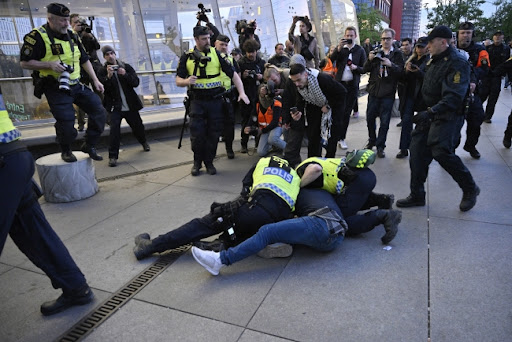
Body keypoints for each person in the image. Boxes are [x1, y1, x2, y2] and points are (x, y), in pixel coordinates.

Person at [192, 166, 402, 275]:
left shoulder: (298, 188)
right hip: (333, 231)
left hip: (322, 227)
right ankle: (382, 215)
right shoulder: (326, 193)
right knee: (276, 232)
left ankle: (220, 261)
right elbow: (349, 216)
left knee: (267, 231)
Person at [0, 87, 94, 316]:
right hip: (14, 155)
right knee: (34, 232)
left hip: (4, 163)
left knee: (34, 231)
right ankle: (76, 288)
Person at [132, 156, 301, 259]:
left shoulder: (264, 162)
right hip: (272, 223)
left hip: (254, 207)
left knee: (203, 224)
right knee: (245, 225)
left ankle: (149, 246)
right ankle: (224, 243)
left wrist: (229, 210)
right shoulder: (295, 178)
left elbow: (245, 188)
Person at [397, 26, 480, 212]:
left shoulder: (457, 62)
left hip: (447, 115)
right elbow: (432, 82)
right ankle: (417, 194)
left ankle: (470, 188)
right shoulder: (433, 60)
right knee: (417, 153)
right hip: (429, 113)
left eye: (431, 43)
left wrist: (430, 112)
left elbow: (453, 97)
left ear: (443, 42)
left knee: (441, 152)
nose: (427, 47)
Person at [20, 3, 106, 163]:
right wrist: (48, 64)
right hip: (55, 86)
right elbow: (24, 63)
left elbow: (84, 59)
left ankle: (89, 144)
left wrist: (95, 80)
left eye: (67, 20)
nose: (66, 24)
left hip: (75, 84)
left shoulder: (72, 35)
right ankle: (66, 150)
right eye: (62, 20)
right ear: (50, 19)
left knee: (98, 110)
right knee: (66, 122)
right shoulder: (37, 36)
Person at [175, 26, 249, 176]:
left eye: (208, 38)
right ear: (196, 39)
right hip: (197, 101)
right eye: (204, 39)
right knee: (197, 134)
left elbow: (233, 74)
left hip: (215, 101)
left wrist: (242, 92)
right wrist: (187, 81)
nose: (207, 41)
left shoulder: (217, 54)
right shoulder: (187, 57)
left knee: (213, 134)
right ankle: (197, 162)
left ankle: (209, 162)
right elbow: (178, 80)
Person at [97, 46, 150, 167]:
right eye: (107, 54)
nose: (110, 56)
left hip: (130, 105)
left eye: (112, 53)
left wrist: (125, 74)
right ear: (104, 57)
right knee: (114, 131)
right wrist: (109, 77)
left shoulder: (126, 67)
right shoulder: (102, 71)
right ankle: (113, 156)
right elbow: (102, 88)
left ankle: (144, 142)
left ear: (115, 54)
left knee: (138, 126)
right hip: (115, 106)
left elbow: (135, 82)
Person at [288, 62, 347, 160]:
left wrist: (328, 106)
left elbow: (342, 92)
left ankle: (329, 162)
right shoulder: (295, 83)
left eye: (299, 80)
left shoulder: (322, 79)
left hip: (334, 105)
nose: (297, 84)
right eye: (294, 81)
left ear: (306, 74)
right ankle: (313, 162)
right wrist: (298, 112)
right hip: (315, 105)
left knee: (332, 137)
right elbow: (300, 98)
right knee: (313, 136)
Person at [362, 28, 404, 158]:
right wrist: (369, 59)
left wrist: (391, 64)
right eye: (383, 38)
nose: (385, 41)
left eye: (388, 38)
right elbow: (365, 69)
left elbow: (402, 73)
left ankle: (380, 146)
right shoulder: (376, 52)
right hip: (374, 91)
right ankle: (372, 140)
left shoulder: (397, 54)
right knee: (370, 118)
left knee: (385, 122)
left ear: (393, 40)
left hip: (387, 93)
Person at [330, 26, 367, 151]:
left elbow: (365, 68)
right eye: (347, 36)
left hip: (352, 85)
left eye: (351, 35)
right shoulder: (342, 49)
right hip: (339, 85)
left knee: (346, 113)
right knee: (337, 112)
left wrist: (356, 68)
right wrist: (338, 48)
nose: (349, 38)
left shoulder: (360, 50)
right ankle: (334, 136)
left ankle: (341, 138)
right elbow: (330, 60)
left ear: (355, 36)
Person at [456, 22, 490, 159]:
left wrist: (472, 79)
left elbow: (484, 68)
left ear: (472, 34)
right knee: (454, 123)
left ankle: (470, 145)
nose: (465, 36)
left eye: (468, 33)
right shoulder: (451, 49)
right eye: (463, 33)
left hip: (472, 92)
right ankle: (450, 148)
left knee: (476, 119)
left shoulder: (480, 50)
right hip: (455, 92)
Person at [396, 37, 430, 159]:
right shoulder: (411, 59)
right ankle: (404, 148)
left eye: (422, 46)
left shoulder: (430, 60)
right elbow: (403, 79)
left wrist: (418, 72)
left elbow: (430, 79)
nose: (419, 49)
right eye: (418, 46)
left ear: (427, 47)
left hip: (422, 96)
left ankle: (419, 149)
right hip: (409, 94)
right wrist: (406, 71)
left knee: (422, 125)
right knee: (406, 122)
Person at [70, 13, 101, 132]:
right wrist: (77, 34)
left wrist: (90, 36)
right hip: (80, 69)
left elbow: (97, 46)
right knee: (81, 97)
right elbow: (74, 49)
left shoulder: (87, 32)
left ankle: (105, 119)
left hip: (93, 67)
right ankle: (81, 123)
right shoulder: (71, 35)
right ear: (71, 24)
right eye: (76, 22)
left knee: (99, 93)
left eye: (80, 22)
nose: (79, 24)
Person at [238, 39, 266, 153]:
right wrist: (243, 76)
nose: (250, 54)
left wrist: (261, 77)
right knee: (245, 119)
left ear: (256, 51)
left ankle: (257, 142)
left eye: (252, 52)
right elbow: (236, 79)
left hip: (258, 94)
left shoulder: (261, 62)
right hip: (245, 94)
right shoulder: (241, 63)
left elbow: (267, 77)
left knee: (257, 119)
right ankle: (244, 143)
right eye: (248, 52)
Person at [214, 34, 240, 159]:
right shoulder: (210, 58)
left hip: (227, 95)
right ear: (215, 44)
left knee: (230, 124)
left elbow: (237, 75)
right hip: (213, 96)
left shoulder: (230, 59)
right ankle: (210, 153)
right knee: (213, 125)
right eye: (221, 44)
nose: (224, 47)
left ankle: (229, 148)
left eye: (226, 45)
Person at [244, 82, 286, 156]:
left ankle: (289, 149)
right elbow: (253, 116)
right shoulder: (257, 104)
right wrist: (248, 126)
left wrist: (262, 131)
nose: (263, 92)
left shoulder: (276, 102)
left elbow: (275, 121)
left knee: (272, 139)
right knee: (261, 152)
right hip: (265, 129)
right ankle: (274, 147)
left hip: (276, 126)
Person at [481, 30, 510, 123]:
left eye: (499, 36)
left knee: (493, 97)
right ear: (493, 37)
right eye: (496, 35)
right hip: (487, 75)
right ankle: (477, 113)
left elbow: (506, 63)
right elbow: (483, 61)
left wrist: (499, 72)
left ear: (502, 37)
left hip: (497, 77)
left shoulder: (506, 49)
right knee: (482, 95)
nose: (497, 37)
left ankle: (487, 116)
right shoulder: (487, 48)